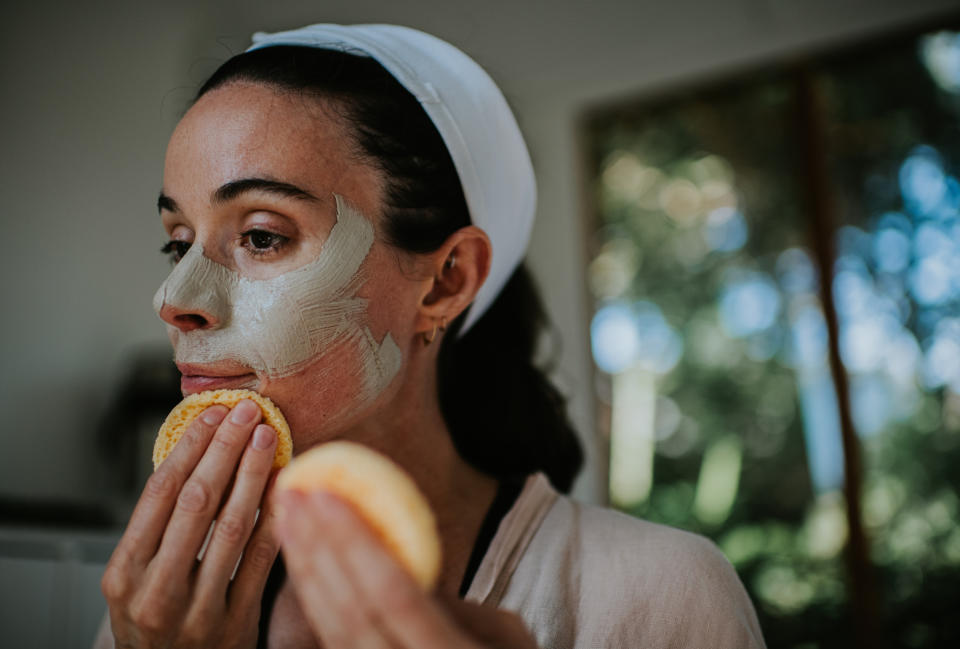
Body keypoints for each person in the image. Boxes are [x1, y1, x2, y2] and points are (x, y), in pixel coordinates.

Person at [95, 23, 766, 649]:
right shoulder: (168, 604)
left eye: (263, 236)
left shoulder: (657, 594)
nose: (173, 299)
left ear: (445, 281)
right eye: (176, 244)